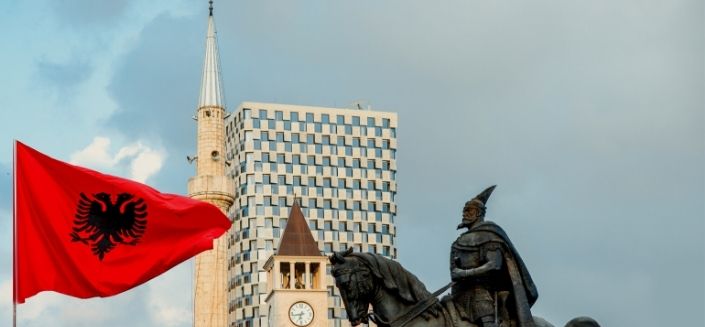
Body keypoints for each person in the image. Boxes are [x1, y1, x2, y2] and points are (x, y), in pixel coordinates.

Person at [450, 185, 538, 327]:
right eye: (464, 211)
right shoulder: (458, 242)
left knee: (486, 320)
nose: (464, 214)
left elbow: (494, 265)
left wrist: (465, 272)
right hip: (458, 295)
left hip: (482, 294)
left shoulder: (489, 235)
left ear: (478, 213)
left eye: (468, 210)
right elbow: (454, 273)